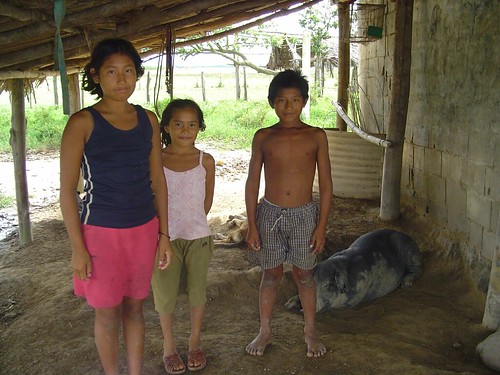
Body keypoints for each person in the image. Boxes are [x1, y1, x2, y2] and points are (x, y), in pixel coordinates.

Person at [60, 38, 173, 375]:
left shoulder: (148, 120)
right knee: (107, 313)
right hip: (100, 233)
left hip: (143, 230)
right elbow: (67, 192)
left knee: (136, 309)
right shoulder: (82, 122)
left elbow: (158, 182)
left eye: (128, 71)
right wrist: (77, 248)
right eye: (112, 72)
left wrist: (164, 234)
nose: (122, 79)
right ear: (96, 76)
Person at [245, 69, 333, 358]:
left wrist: (321, 226)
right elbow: (252, 182)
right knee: (270, 275)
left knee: (304, 275)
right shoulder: (263, 137)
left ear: (304, 101)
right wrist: (252, 225)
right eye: (281, 100)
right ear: (272, 102)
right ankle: (265, 330)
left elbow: (328, 184)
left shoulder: (316, 136)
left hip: (305, 216)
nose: (288, 106)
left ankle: (310, 331)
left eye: (295, 100)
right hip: (269, 214)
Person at [151, 99, 215, 374]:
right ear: (166, 127)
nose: (185, 130)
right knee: (165, 295)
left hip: (198, 237)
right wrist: (163, 231)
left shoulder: (206, 161)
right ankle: (169, 347)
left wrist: (193, 222)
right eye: (178, 124)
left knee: (197, 293)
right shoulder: (156, 160)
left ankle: (194, 342)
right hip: (163, 239)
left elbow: (207, 201)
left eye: (192, 125)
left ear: (199, 127)